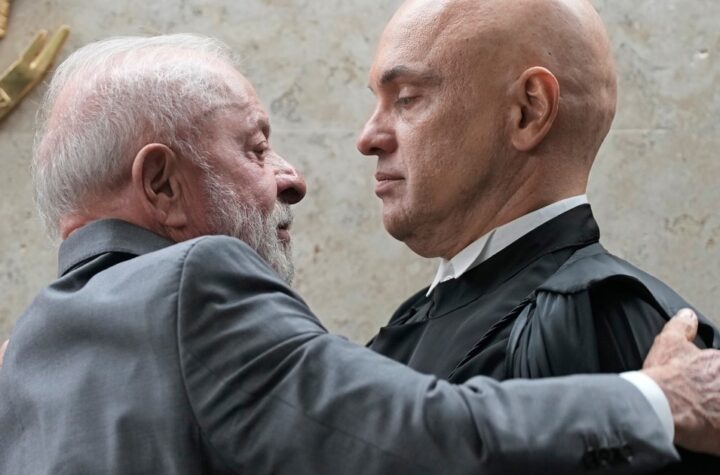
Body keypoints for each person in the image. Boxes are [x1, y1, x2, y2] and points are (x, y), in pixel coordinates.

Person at [0, 34, 719, 474]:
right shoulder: (194, 285)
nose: (293, 177)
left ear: (529, 110)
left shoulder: (22, 360)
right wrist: (659, 400)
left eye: (407, 99)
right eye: (255, 147)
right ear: (160, 184)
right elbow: (416, 435)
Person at [356, 0, 720, 470]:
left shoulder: (593, 314)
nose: (368, 137)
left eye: (406, 98)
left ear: (528, 111)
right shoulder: (422, 313)